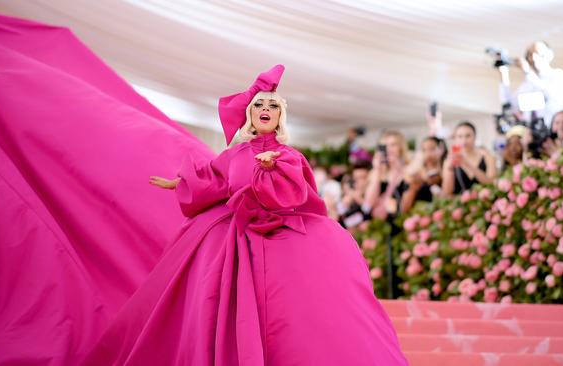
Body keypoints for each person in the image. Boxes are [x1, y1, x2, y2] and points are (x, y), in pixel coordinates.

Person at [83, 65, 408, 365]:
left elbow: (298, 192)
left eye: (272, 106)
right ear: (249, 115)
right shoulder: (234, 153)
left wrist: (272, 167)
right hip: (232, 239)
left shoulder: (290, 155)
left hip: (279, 238)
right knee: (213, 296)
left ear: (280, 116)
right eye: (259, 106)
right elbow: (214, 180)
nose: (265, 110)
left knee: (288, 312)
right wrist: (179, 182)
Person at [498, 41, 563, 128]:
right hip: (531, 133)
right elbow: (509, 106)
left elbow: (549, 96)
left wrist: (528, 72)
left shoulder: (558, 75)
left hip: (552, 130)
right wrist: (504, 73)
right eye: (530, 55)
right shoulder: (528, 84)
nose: (533, 58)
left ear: (549, 55)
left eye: (537, 53)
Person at [364, 130, 410, 222]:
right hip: (379, 221)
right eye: (386, 146)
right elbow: (369, 202)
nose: (389, 149)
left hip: (400, 220)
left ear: (401, 147)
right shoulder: (376, 172)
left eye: (393, 145)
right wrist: (377, 170)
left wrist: (398, 168)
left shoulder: (408, 169)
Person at [441, 121, 497, 196]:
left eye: (468, 136)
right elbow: (447, 192)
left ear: (475, 137)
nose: (464, 140)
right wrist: (450, 169)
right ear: (455, 139)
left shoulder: (488, 157)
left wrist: (467, 164)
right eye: (460, 136)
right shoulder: (449, 160)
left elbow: (491, 183)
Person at [400, 136, 445, 212]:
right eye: (424, 150)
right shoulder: (416, 172)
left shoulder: (445, 169)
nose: (428, 153)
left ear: (441, 149)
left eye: (432, 149)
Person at [337, 161, 372, 230]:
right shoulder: (348, 196)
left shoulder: (370, 195)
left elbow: (368, 210)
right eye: (355, 178)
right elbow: (340, 212)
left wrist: (358, 198)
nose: (358, 181)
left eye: (362, 178)